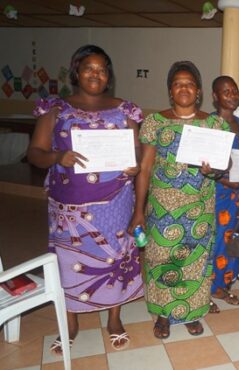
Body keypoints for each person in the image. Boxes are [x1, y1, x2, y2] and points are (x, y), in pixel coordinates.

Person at [27, 45, 144, 353]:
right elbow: (34, 153)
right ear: (76, 72)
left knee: (115, 257)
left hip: (116, 202)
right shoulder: (56, 109)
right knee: (68, 262)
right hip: (69, 207)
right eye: (89, 68)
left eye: (102, 69)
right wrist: (57, 156)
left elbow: (137, 151)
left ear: (109, 76)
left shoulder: (124, 110)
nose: (96, 74)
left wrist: (134, 164)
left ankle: (114, 318)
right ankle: (71, 321)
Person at [130, 61, 229, 339]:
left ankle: (190, 313)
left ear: (197, 91)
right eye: (177, 83)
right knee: (161, 259)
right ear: (170, 91)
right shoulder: (155, 123)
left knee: (194, 262)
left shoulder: (214, 123)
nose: (183, 87)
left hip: (200, 208)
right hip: (163, 208)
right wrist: (138, 210)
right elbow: (145, 168)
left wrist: (216, 168)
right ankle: (163, 314)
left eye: (189, 83)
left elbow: (225, 162)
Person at [209, 76, 239, 311]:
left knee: (232, 243)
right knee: (213, 243)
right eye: (226, 91)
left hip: (237, 197)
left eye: (235, 90)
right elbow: (202, 164)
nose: (232, 95)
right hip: (214, 194)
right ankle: (208, 289)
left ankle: (223, 285)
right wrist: (227, 181)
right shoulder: (210, 125)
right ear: (215, 97)